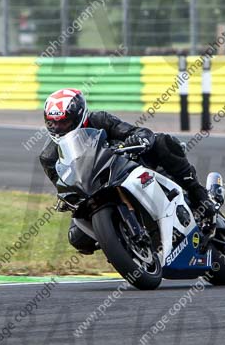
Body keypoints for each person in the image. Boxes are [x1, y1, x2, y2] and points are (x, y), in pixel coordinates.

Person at [38, 88, 214, 255]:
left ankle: (199, 195)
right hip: (93, 188)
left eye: (64, 122)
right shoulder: (49, 157)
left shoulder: (99, 120)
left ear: (79, 116)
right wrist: (67, 200)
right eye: (53, 124)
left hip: (127, 167)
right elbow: (63, 185)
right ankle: (123, 244)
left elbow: (132, 130)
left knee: (162, 141)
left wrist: (139, 138)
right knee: (77, 238)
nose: (59, 128)